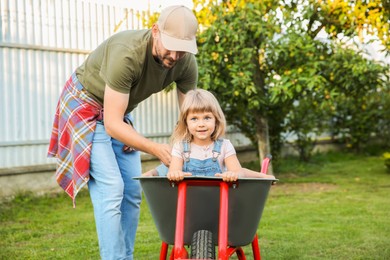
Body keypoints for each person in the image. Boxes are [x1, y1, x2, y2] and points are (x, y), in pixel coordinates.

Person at [47, 5, 199, 260]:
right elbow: (113, 125)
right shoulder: (127, 54)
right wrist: (156, 148)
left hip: (116, 111)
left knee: (131, 190)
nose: (174, 55)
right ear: (156, 32)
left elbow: (189, 118)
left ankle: (124, 257)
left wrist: (184, 150)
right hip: (84, 104)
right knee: (112, 188)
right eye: (170, 46)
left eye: (182, 50)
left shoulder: (186, 64)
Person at [142, 89, 276, 181]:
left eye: (207, 118)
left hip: (218, 200)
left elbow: (239, 171)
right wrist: (175, 174)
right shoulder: (180, 148)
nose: (201, 124)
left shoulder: (224, 146)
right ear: (186, 122)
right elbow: (172, 171)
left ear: (216, 120)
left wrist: (233, 174)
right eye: (194, 119)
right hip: (188, 201)